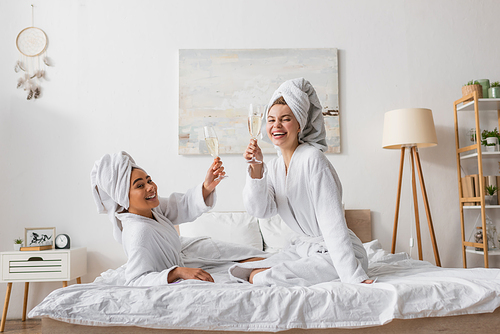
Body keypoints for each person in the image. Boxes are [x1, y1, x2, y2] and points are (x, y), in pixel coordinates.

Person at [229, 78, 373, 286]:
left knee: (259, 277)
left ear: (299, 124)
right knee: (241, 270)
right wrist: (257, 168)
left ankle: (347, 270)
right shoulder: (276, 167)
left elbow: (333, 223)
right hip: (305, 248)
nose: (276, 125)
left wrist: (353, 277)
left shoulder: (313, 159)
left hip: (337, 254)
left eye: (285, 119)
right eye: (270, 120)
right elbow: (261, 211)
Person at [91, 152, 266, 286]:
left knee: (257, 258)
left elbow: (180, 206)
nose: (151, 187)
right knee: (250, 268)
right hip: (183, 265)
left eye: (149, 180)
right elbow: (136, 280)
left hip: (191, 253)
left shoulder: (151, 209)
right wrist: (176, 273)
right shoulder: (138, 232)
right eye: (140, 185)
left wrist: (207, 186)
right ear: (124, 197)